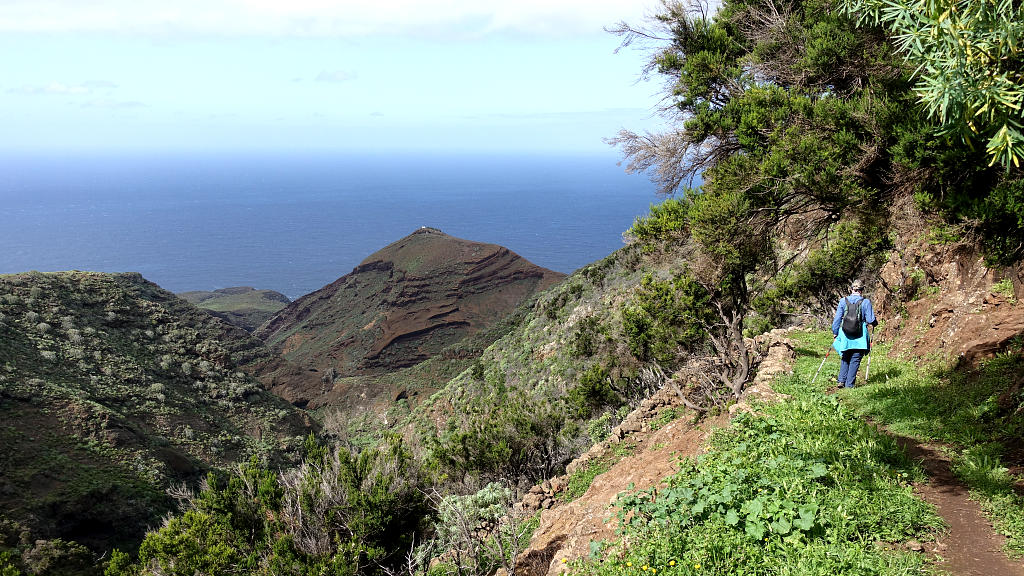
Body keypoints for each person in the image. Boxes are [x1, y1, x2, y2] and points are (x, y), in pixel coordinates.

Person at [831, 279, 877, 388]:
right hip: (859, 336)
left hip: (845, 334)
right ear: (861, 290)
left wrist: (835, 332)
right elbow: (871, 320)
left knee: (845, 356)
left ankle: (841, 380)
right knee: (855, 358)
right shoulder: (865, 302)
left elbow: (837, 318)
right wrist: (875, 323)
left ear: (851, 289)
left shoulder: (843, 301)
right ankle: (849, 385)